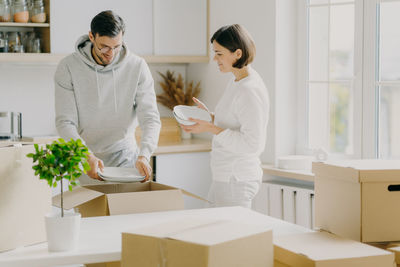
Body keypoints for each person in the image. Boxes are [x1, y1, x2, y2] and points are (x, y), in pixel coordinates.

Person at [54, 10, 161, 183]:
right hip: (86, 158)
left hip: (126, 158)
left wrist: (145, 154)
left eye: (116, 47)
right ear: (91, 36)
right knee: (90, 210)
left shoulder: (137, 66)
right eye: (103, 46)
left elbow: (150, 117)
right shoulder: (68, 67)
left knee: (125, 209)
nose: (110, 53)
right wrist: (85, 155)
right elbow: (65, 122)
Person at [181, 24, 269, 208]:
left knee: (226, 234)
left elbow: (253, 144)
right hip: (226, 177)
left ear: (237, 53)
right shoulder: (237, 81)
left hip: (236, 179)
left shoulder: (249, 90)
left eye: (219, 53)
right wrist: (210, 118)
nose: (215, 58)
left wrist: (211, 128)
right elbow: (233, 121)